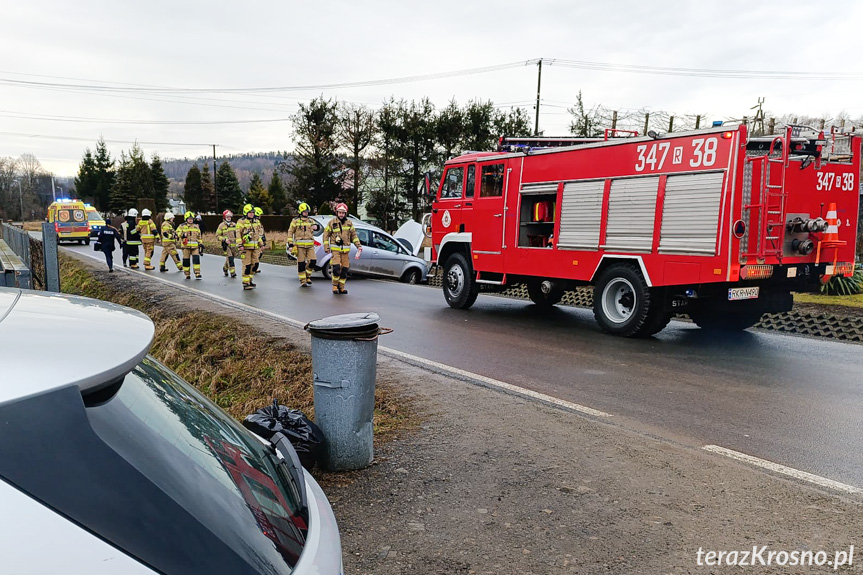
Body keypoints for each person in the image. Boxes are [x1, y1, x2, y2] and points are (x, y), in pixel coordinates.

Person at [323, 202, 362, 294]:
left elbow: (354, 236)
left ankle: (341, 287)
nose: (341, 214)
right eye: (339, 212)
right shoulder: (332, 223)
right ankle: (335, 286)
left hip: (345, 251)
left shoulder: (349, 223)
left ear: (345, 213)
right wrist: (326, 247)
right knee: (336, 268)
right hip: (335, 250)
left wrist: (358, 246)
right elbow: (325, 235)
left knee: (345, 269)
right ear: (336, 212)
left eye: (343, 213)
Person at [288, 202, 317, 287]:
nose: (306, 213)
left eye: (307, 212)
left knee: (313, 261)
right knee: (301, 264)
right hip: (299, 247)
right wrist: (290, 245)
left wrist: (316, 227)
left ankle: (308, 276)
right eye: (305, 212)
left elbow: (316, 227)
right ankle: (303, 280)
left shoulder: (311, 221)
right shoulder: (295, 221)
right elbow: (290, 233)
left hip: (310, 246)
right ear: (300, 212)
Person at [236, 204, 262, 290]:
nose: (251, 214)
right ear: (245, 213)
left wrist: (261, 244)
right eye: (250, 212)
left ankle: (250, 280)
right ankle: (245, 283)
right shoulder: (241, 222)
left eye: (253, 212)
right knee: (247, 265)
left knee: (255, 264)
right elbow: (238, 234)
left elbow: (258, 235)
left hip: (255, 248)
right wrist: (240, 245)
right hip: (245, 248)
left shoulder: (256, 222)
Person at [176, 211, 202, 279]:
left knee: (196, 259)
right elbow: (177, 233)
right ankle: (187, 274)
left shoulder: (196, 227)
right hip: (185, 247)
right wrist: (183, 235)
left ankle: (197, 273)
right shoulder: (181, 226)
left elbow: (199, 237)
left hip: (195, 247)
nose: (190, 220)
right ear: (186, 219)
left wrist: (201, 243)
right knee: (186, 260)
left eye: (191, 219)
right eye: (189, 219)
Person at [216, 210, 238, 278]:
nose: (229, 218)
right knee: (230, 258)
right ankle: (232, 272)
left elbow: (238, 234)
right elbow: (217, 236)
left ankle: (225, 268)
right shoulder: (221, 226)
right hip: (226, 245)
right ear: (224, 217)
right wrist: (224, 239)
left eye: (230, 217)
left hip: (233, 245)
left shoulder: (234, 225)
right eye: (227, 217)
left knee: (230, 258)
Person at [253, 206, 266, 274]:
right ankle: (253, 267)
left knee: (259, 255)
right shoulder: (254, 223)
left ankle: (254, 267)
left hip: (259, 241)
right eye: (260, 214)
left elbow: (262, 233)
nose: (261, 216)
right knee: (256, 255)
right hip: (255, 242)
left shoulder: (258, 222)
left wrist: (264, 242)